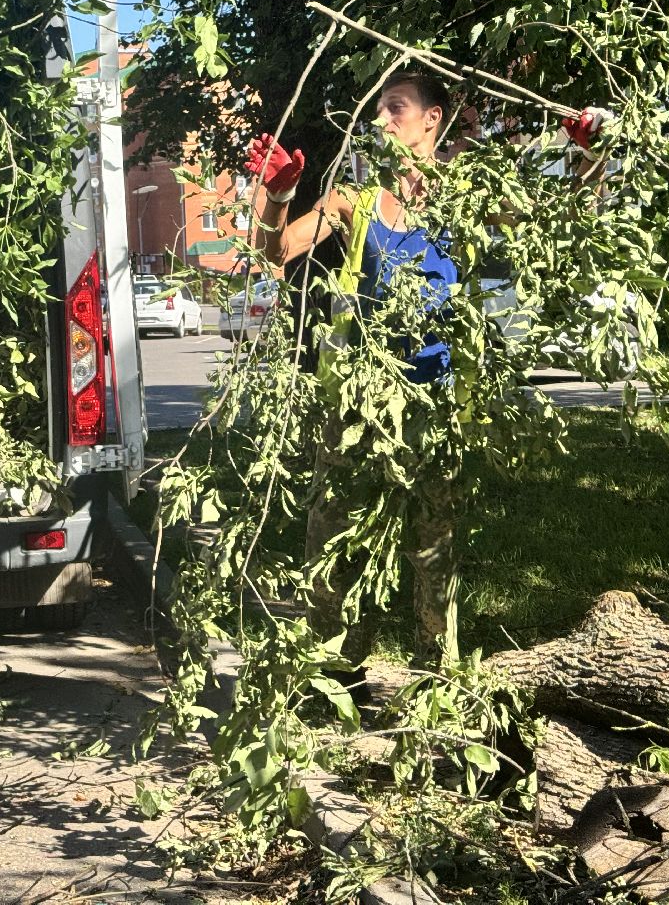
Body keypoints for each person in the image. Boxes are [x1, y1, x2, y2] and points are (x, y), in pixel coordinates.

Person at [246, 75, 608, 669]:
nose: (381, 120)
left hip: (434, 409)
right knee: (333, 552)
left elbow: (551, 219)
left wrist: (589, 153)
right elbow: (275, 251)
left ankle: (432, 683)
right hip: (358, 408)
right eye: (378, 109)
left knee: (434, 561)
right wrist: (278, 195)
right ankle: (337, 676)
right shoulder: (353, 199)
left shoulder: (464, 198)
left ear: (431, 119)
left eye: (396, 108)